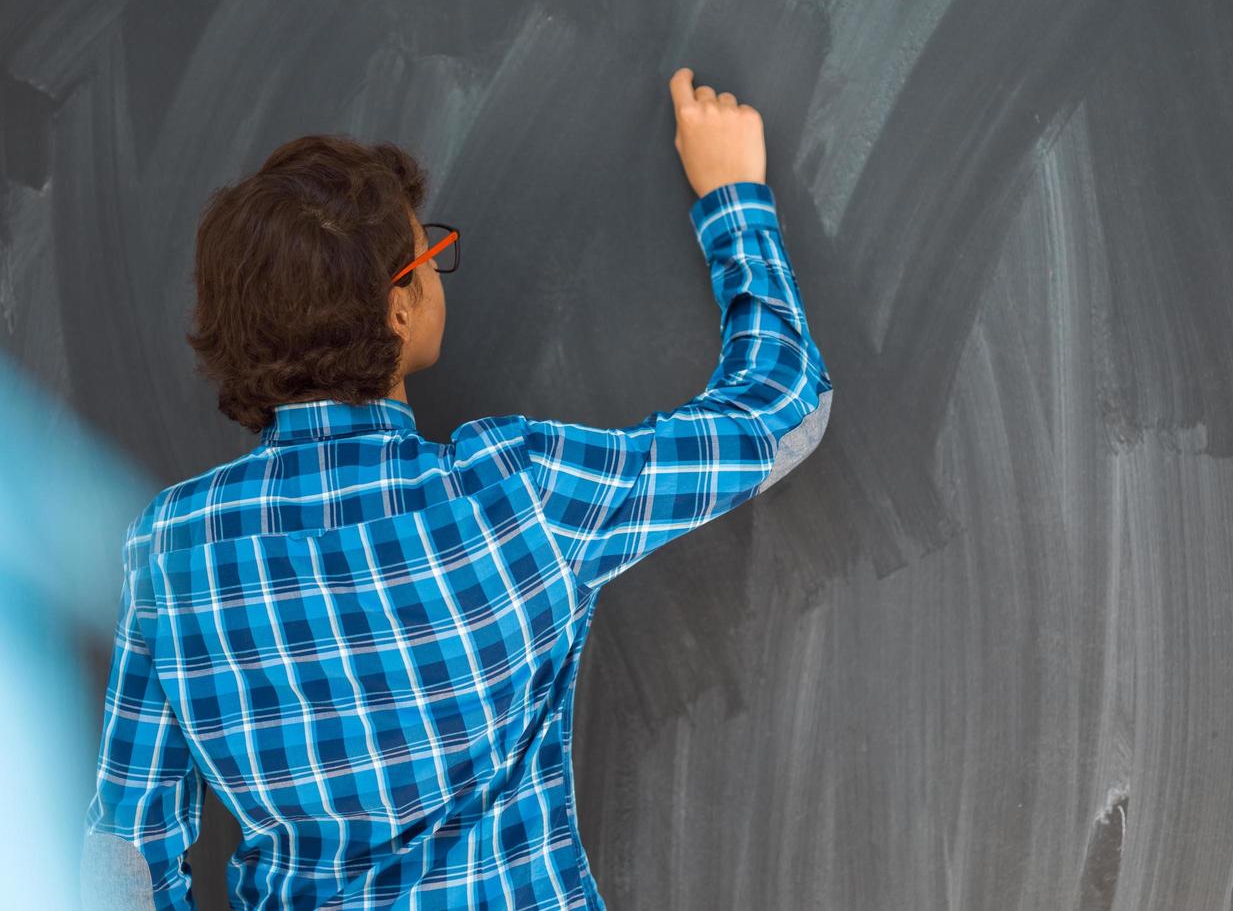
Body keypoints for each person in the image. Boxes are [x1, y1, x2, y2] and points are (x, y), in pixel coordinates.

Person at [81, 66, 834, 909]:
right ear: (399, 308)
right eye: (429, 255)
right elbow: (782, 413)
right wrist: (732, 194)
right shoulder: (518, 491)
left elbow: (125, 859)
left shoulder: (171, 547)